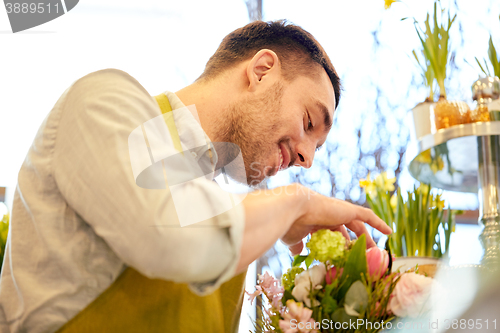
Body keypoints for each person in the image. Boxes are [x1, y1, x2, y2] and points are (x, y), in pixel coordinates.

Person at [0, 20, 391, 332]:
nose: (306, 159)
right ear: (262, 71)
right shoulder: (103, 100)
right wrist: (294, 203)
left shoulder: (221, 209)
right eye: (308, 121)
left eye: (317, 149)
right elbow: (170, 237)